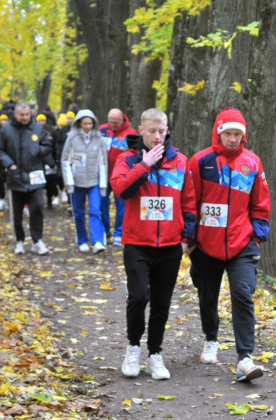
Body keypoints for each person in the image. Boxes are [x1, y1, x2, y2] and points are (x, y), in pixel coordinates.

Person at [110, 108, 197, 380]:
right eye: (152, 131)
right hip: (137, 243)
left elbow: (189, 202)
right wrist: (144, 164)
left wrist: (187, 239)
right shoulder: (127, 159)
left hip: (170, 246)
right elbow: (121, 189)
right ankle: (133, 347)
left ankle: (155, 354)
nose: (157, 137)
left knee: (161, 301)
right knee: (138, 296)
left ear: (167, 129)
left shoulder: (180, 161)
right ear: (141, 130)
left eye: (162, 131)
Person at [186, 108, 270, 382]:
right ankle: (211, 338)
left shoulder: (253, 163)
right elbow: (190, 200)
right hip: (206, 245)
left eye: (237, 134)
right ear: (218, 132)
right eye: (228, 133)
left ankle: (245, 356)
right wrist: (190, 236)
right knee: (207, 295)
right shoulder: (200, 161)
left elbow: (260, 202)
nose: (233, 139)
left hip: (241, 243)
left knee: (243, 294)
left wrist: (256, 233)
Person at [0, 102, 53, 255]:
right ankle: (19, 241)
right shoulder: (6, 130)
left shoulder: (37, 129)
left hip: (35, 175)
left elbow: (47, 146)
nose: (25, 117)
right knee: (17, 213)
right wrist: (9, 164)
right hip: (15, 176)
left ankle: (37, 240)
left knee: (37, 207)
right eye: (22, 115)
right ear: (16, 114)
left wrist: (38, 149)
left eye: (27, 114)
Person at [61, 109, 108, 253]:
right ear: (79, 124)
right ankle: (82, 240)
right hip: (77, 182)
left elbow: (103, 162)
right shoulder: (72, 138)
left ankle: (98, 241)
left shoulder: (99, 138)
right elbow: (65, 160)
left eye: (90, 123)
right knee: (78, 212)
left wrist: (103, 184)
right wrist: (69, 182)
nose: (88, 126)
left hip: (93, 181)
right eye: (85, 123)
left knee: (95, 210)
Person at [99, 108, 136, 246]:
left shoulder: (131, 134)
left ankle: (119, 233)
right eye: (110, 122)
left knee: (121, 206)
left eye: (115, 122)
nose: (112, 125)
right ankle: (106, 231)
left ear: (122, 120)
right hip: (103, 175)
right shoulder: (102, 130)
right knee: (102, 203)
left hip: (121, 176)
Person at [36, 114, 60, 209]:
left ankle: (49, 201)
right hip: (38, 162)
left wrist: (53, 161)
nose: (41, 122)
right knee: (38, 184)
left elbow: (54, 147)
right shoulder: (33, 131)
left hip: (50, 161)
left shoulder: (52, 131)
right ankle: (38, 202)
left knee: (50, 183)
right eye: (39, 121)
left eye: (43, 120)